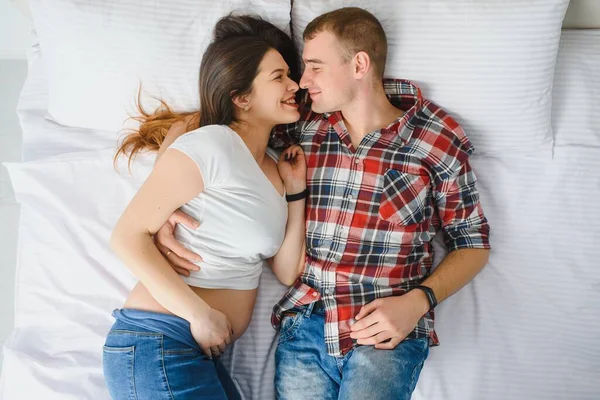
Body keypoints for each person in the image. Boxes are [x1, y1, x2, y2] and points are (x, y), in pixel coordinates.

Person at [157, 7, 492, 400]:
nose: (302, 81)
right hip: (305, 325)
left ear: (359, 65)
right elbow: (202, 124)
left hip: (383, 327)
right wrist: (162, 206)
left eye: (315, 66)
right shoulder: (303, 126)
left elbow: (472, 243)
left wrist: (418, 302)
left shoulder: (436, 137)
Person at [103, 15, 307, 399]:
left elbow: (285, 270)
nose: (295, 85)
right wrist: (199, 315)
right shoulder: (212, 145)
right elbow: (127, 237)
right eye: (279, 77)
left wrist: (296, 194)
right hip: (160, 338)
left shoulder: (276, 168)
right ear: (241, 97)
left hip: (194, 349)